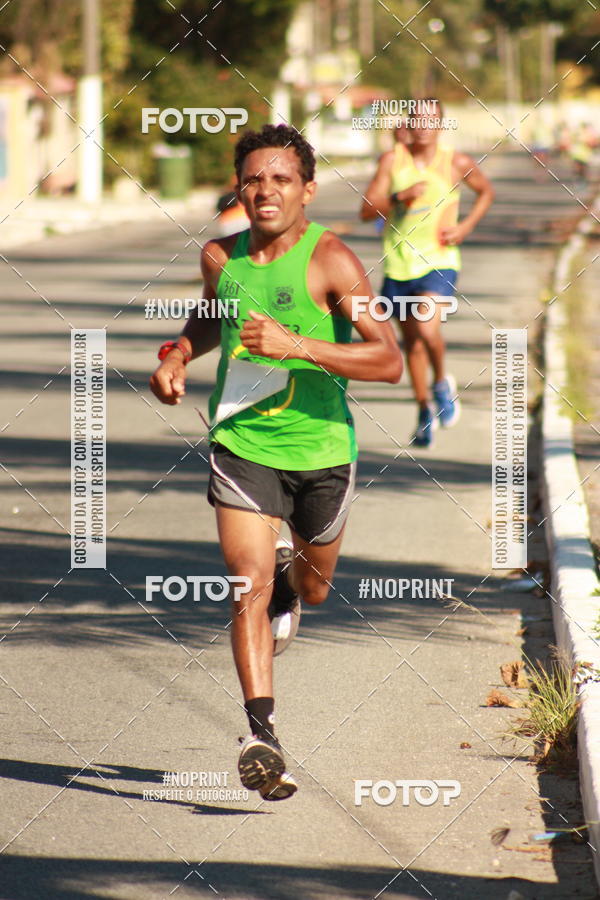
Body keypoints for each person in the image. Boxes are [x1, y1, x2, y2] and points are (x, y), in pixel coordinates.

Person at [150, 124, 402, 801]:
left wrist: (297, 345)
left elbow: (388, 359)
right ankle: (263, 734)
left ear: (308, 190)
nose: (266, 190)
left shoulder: (334, 262)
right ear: (239, 187)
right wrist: (175, 355)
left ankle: (296, 588)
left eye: (281, 179)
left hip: (322, 450)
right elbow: (213, 318)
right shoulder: (219, 257)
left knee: (311, 587)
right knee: (246, 582)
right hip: (243, 443)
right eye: (254, 178)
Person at [360, 98, 494, 447]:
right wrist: (399, 196)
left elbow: (485, 192)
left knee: (425, 323)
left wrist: (466, 227)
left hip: (439, 261)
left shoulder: (455, 162)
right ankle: (424, 409)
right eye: (417, 119)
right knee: (412, 345)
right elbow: (365, 211)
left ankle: (440, 383)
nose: (423, 126)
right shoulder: (392, 161)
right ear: (409, 123)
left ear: (441, 125)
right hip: (398, 264)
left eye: (431, 120)